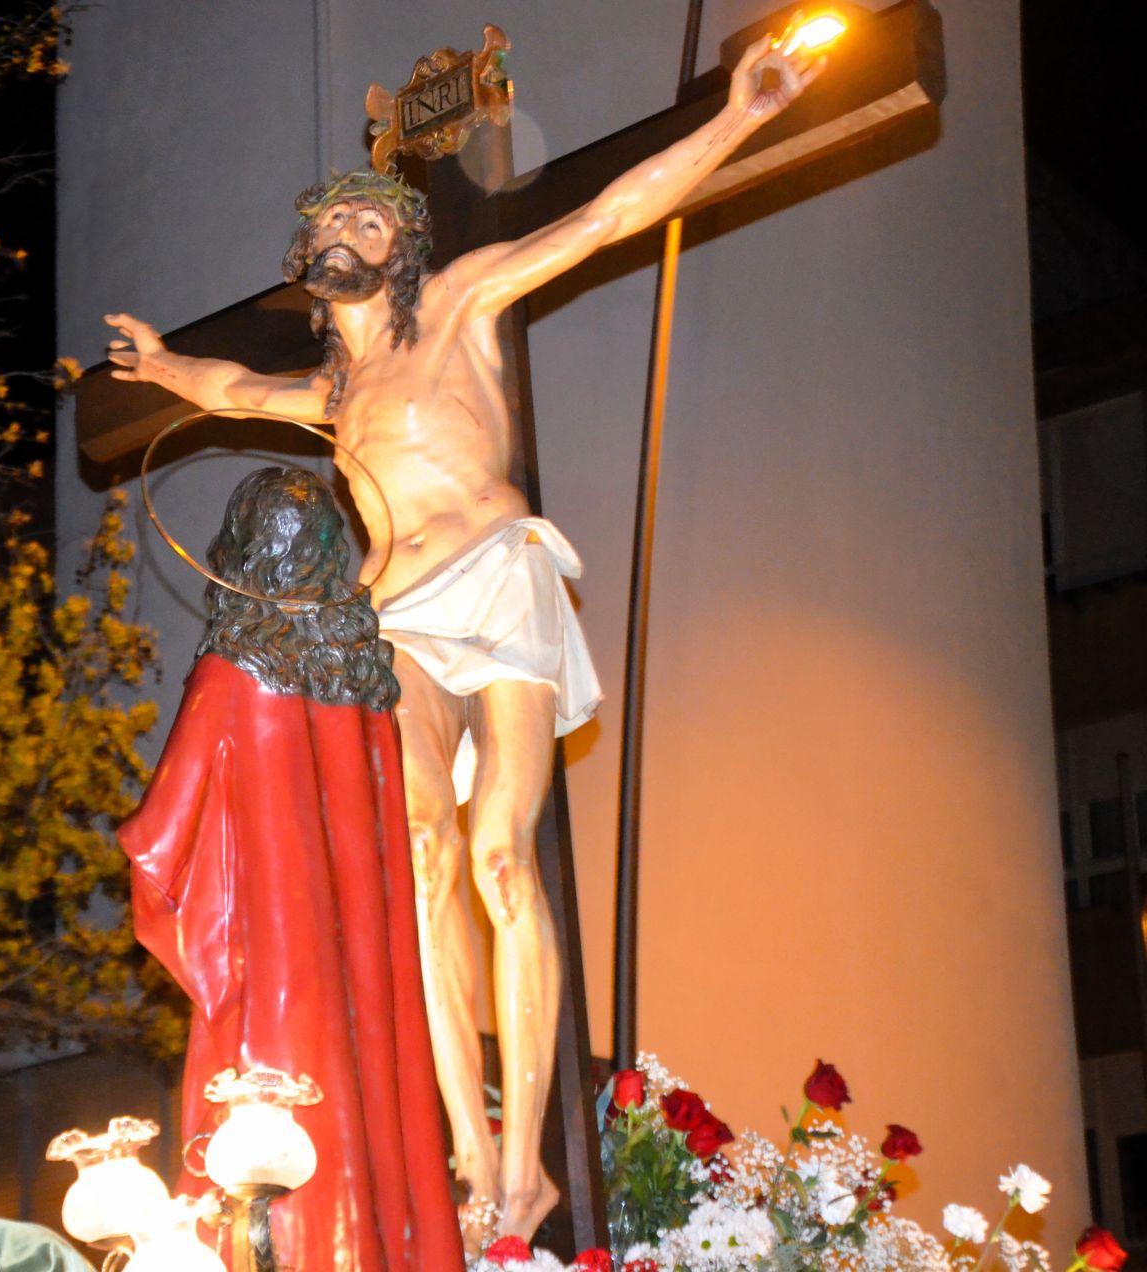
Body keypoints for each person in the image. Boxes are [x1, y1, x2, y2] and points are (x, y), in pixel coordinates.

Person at [103, 37, 821, 1242]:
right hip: (393, 624)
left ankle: (532, 1139)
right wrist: (168, 367)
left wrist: (734, 120)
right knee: (422, 856)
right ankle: (474, 1148)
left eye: (363, 219)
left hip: (495, 580)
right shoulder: (335, 391)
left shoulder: (457, 304)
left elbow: (605, 216)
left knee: (500, 859)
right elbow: (232, 388)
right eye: (325, 218)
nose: (341, 229)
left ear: (402, 244)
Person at [119, 468, 464, 1271]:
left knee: (276, 1112)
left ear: (241, 556)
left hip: (272, 970)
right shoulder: (365, 678)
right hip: (367, 966)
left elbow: (160, 840)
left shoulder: (230, 674)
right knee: (380, 1087)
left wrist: (186, 924)